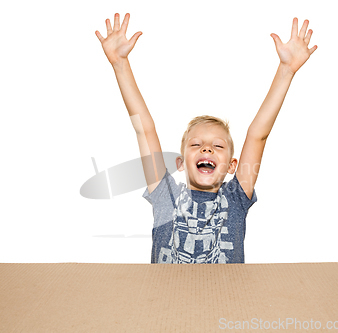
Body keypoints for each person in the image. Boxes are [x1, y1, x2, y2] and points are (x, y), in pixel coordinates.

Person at [95, 13, 317, 263]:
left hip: (223, 301)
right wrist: (120, 64)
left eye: (218, 146)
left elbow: (258, 135)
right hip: (164, 300)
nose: (207, 149)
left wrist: (286, 70)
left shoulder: (235, 198)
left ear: (234, 166)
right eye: (196, 144)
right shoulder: (164, 195)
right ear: (180, 163)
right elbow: (144, 129)